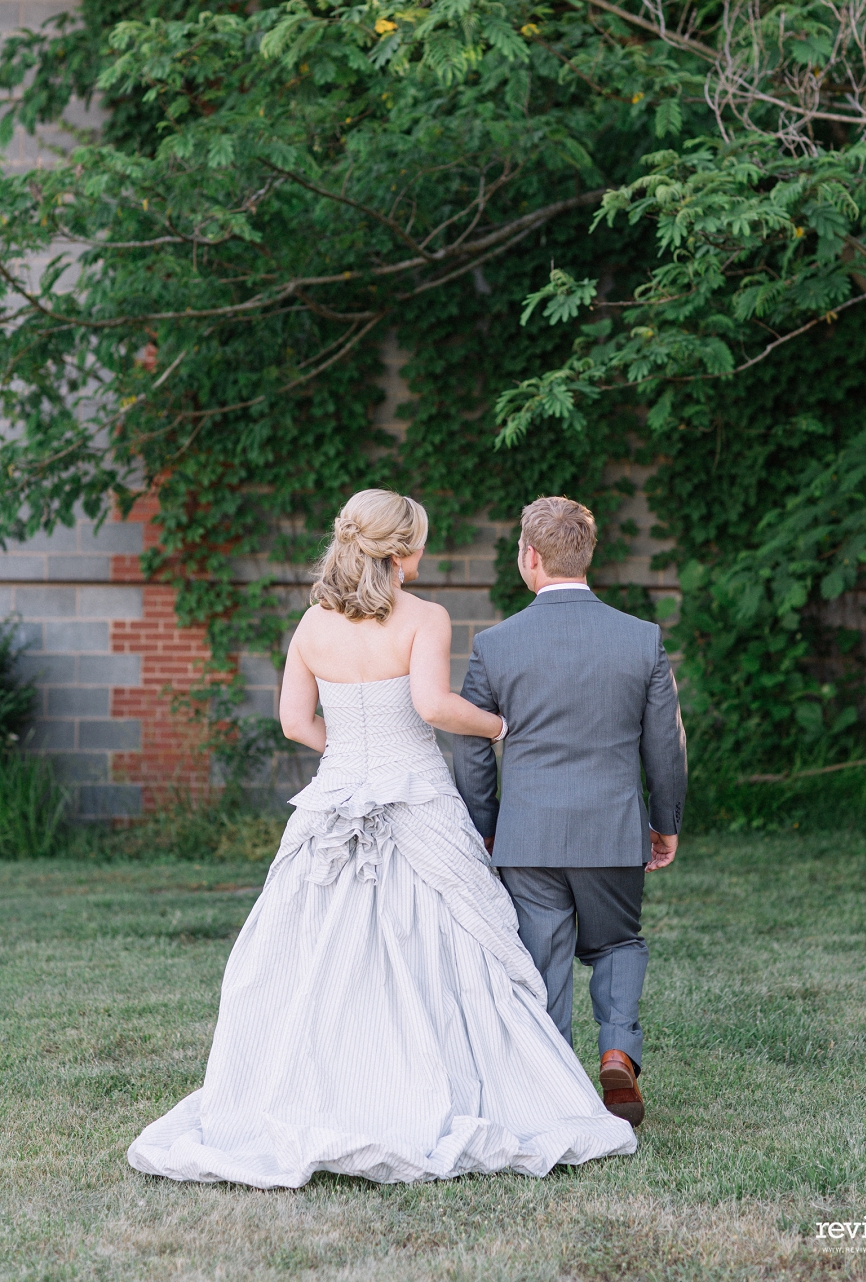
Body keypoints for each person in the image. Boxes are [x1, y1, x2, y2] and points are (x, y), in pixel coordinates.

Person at [127, 488, 636, 1188]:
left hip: (334, 801)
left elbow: (293, 723)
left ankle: (337, 1084)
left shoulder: (312, 624)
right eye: (421, 540)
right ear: (401, 553)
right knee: (447, 941)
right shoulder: (424, 616)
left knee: (317, 952)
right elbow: (431, 706)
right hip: (416, 796)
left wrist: (348, 758)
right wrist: (497, 727)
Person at [453, 496, 687, 1128]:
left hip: (527, 835)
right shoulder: (641, 639)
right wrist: (664, 822)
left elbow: (472, 747)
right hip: (613, 830)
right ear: (588, 554)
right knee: (617, 941)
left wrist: (487, 824)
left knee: (541, 958)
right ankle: (616, 1051)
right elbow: (665, 743)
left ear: (530, 557)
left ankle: (554, 1092)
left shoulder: (495, 645)